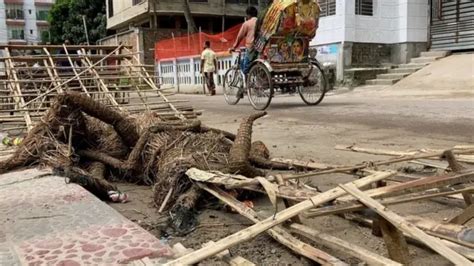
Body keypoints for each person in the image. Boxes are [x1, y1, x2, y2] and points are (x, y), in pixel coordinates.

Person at [230, 6, 258, 75]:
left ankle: (249, 83)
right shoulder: (261, 21)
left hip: (251, 48)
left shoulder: (247, 23)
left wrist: (234, 47)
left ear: (248, 15)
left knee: (245, 68)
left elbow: (240, 36)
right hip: (261, 47)